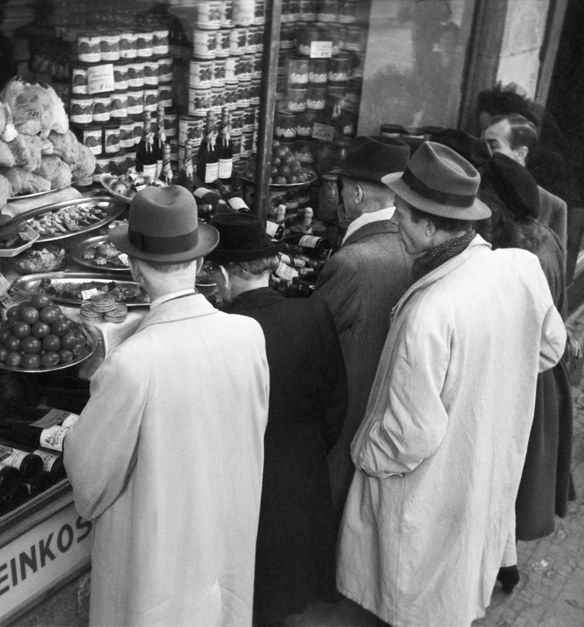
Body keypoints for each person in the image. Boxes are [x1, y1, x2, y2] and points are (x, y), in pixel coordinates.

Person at [336, 142, 568, 627]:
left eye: (400, 212)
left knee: (415, 602)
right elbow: (550, 349)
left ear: (428, 223)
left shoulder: (430, 311)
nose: (393, 220)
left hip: (428, 490)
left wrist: (363, 454)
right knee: (455, 595)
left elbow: (407, 436)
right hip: (483, 467)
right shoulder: (518, 268)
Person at [62, 186, 270, 626]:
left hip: (156, 569)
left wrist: (67, 432)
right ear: (198, 262)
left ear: (136, 269)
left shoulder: (133, 363)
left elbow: (90, 481)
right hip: (225, 545)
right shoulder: (249, 333)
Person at [207, 213, 347, 625]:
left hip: (246, 485)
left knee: (247, 594)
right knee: (282, 591)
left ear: (225, 273)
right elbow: (336, 401)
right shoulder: (315, 315)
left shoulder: (226, 330)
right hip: (303, 475)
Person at [478, 153, 575, 590]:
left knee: (502, 477)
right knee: (511, 480)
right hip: (541, 374)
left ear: (495, 201)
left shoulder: (512, 251)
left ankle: (495, 565)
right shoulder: (545, 237)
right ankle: (506, 563)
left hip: (523, 379)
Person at [311, 136, 412, 526]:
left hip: (347, 418)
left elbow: (315, 344)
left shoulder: (353, 262)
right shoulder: (410, 244)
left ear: (353, 194)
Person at [483, 113, 569, 264]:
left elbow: (554, 267)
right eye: (483, 144)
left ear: (521, 153)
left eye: (493, 146)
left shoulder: (553, 206)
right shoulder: (475, 188)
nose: (484, 152)